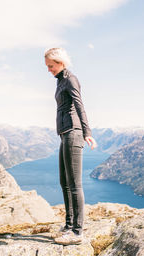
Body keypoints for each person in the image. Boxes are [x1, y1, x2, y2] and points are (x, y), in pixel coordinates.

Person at [44, 47, 97, 245]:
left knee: (75, 184)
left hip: (73, 133)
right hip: (64, 134)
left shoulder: (71, 79)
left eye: (50, 66)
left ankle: (77, 232)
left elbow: (79, 105)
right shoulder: (60, 81)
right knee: (64, 182)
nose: (48, 69)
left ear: (60, 63)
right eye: (47, 66)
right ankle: (68, 225)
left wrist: (87, 133)